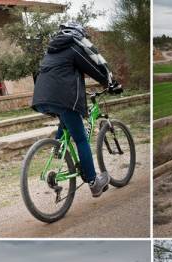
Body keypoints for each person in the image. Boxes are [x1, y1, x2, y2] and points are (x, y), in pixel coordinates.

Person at [31, 21, 123, 197]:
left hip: (42, 98)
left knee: (64, 119)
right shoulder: (73, 47)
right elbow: (93, 68)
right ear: (78, 34)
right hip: (64, 98)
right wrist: (111, 83)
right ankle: (93, 182)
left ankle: (57, 148)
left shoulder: (50, 51)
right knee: (81, 139)